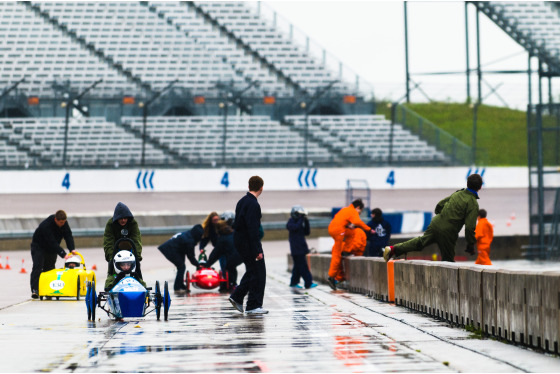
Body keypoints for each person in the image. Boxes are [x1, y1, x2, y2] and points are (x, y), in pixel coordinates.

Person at [383, 173, 483, 262]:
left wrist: (442, 217)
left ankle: (393, 249)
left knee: (420, 243)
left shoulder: (458, 193)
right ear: (480, 187)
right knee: (448, 261)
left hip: (436, 222)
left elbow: (440, 204)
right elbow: (470, 227)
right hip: (448, 231)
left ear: (467, 183)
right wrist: (470, 244)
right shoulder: (472, 203)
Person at [228, 175, 268, 315]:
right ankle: (251, 304)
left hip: (240, 241)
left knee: (253, 271)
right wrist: (257, 250)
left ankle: (240, 299)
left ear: (249, 186)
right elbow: (253, 228)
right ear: (261, 188)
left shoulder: (242, 201)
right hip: (249, 243)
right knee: (259, 272)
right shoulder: (253, 204)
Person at [327, 199, 374, 290]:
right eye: (360, 211)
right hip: (339, 231)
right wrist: (369, 229)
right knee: (337, 254)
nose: (360, 213)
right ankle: (331, 276)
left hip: (333, 228)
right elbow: (358, 222)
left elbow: (340, 219)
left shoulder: (345, 209)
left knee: (353, 233)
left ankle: (347, 250)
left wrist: (348, 226)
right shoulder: (353, 211)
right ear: (358, 208)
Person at [30, 210, 76, 298]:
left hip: (51, 248)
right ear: (56, 220)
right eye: (61, 222)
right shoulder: (46, 225)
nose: (63, 224)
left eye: (64, 222)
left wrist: (72, 249)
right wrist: (63, 254)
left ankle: (48, 291)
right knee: (38, 266)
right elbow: (51, 241)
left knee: (50, 268)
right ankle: (35, 290)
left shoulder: (64, 224)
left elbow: (68, 236)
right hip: (39, 247)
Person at [103, 202, 144, 290]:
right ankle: (112, 286)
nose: (123, 220)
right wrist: (111, 258)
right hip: (115, 253)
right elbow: (108, 241)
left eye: (125, 218)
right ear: (116, 218)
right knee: (113, 274)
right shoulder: (110, 224)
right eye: (120, 218)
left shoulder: (133, 223)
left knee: (137, 273)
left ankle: (140, 286)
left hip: (130, 252)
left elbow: (136, 240)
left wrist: (137, 256)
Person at [158, 224, 205, 291]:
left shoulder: (189, 233)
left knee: (181, 266)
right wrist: (198, 265)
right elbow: (191, 256)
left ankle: (180, 284)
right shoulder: (190, 241)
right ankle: (177, 287)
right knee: (181, 267)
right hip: (170, 249)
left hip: (174, 248)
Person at [205, 218, 243, 290]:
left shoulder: (222, 239)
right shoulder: (233, 233)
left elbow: (216, 253)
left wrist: (207, 264)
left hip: (234, 256)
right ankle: (232, 283)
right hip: (242, 255)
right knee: (231, 267)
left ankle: (231, 284)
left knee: (228, 267)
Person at [287, 205, 317, 289]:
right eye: (299, 214)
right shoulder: (291, 223)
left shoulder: (299, 223)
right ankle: (308, 283)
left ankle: (293, 282)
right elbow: (295, 228)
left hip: (301, 249)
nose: (300, 216)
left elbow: (307, 232)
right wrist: (301, 219)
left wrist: (306, 221)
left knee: (297, 267)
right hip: (296, 250)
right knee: (303, 267)